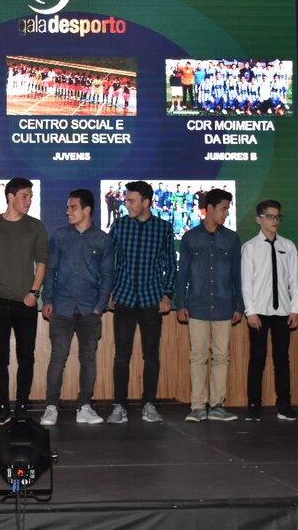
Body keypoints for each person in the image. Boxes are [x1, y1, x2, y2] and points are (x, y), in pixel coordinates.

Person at [0, 177, 49, 425]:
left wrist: (34, 293)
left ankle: (21, 408)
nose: (29, 201)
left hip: (25, 302)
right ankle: (3, 409)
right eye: (24, 196)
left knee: (26, 357)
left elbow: (42, 262)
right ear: (11, 196)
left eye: (31, 197)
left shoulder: (36, 227)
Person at [39, 189, 114, 426]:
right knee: (57, 357)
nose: (67, 212)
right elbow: (50, 270)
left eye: (73, 207)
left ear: (87, 210)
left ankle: (84, 406)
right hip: (61, 307)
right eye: (67, 207)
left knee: (88, 358)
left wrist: (99, 306)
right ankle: (51, 407)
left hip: (89, 309)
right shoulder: (59, 236)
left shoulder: (102, 239)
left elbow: (108, 276)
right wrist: (47, 299)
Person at [108, 180, 176, 424]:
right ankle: (119, 405)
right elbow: (109, 260)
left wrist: (167, 294)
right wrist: (109, 290)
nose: (126, 204)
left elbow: (171, 264)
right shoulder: (119, 225)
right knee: (121, 355)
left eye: (131, 200)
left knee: (152, 354)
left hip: (151, 299)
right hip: (124, 298)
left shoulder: (163, 228)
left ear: (146, 202)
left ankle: (149, 404)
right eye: (126, 200)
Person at [173, 188, 243, 423]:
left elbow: (237, 274)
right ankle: (197, 407)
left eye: (228, 209)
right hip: (197, 305)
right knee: (198, 357)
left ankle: (217, 405)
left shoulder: (232, 238)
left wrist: (239, 305)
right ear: (210, 208)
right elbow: (182, 274)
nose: (226, 213)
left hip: (224, 305)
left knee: (222, 357)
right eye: (223, 208)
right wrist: (180, 303)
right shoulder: (190, 237)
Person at [241, 199, 298, 421]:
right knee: (257, 358)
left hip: (283, 311)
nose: (274, 221)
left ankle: (284, 405)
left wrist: (295, 309)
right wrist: (250, 311)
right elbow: (246, 283)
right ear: (259, 219)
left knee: (282, 358)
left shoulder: (288, 246)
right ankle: (254, 405)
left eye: (277, 217)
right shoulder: (250, 247)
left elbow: (295, 281)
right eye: (270, 217)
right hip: (259, 311)